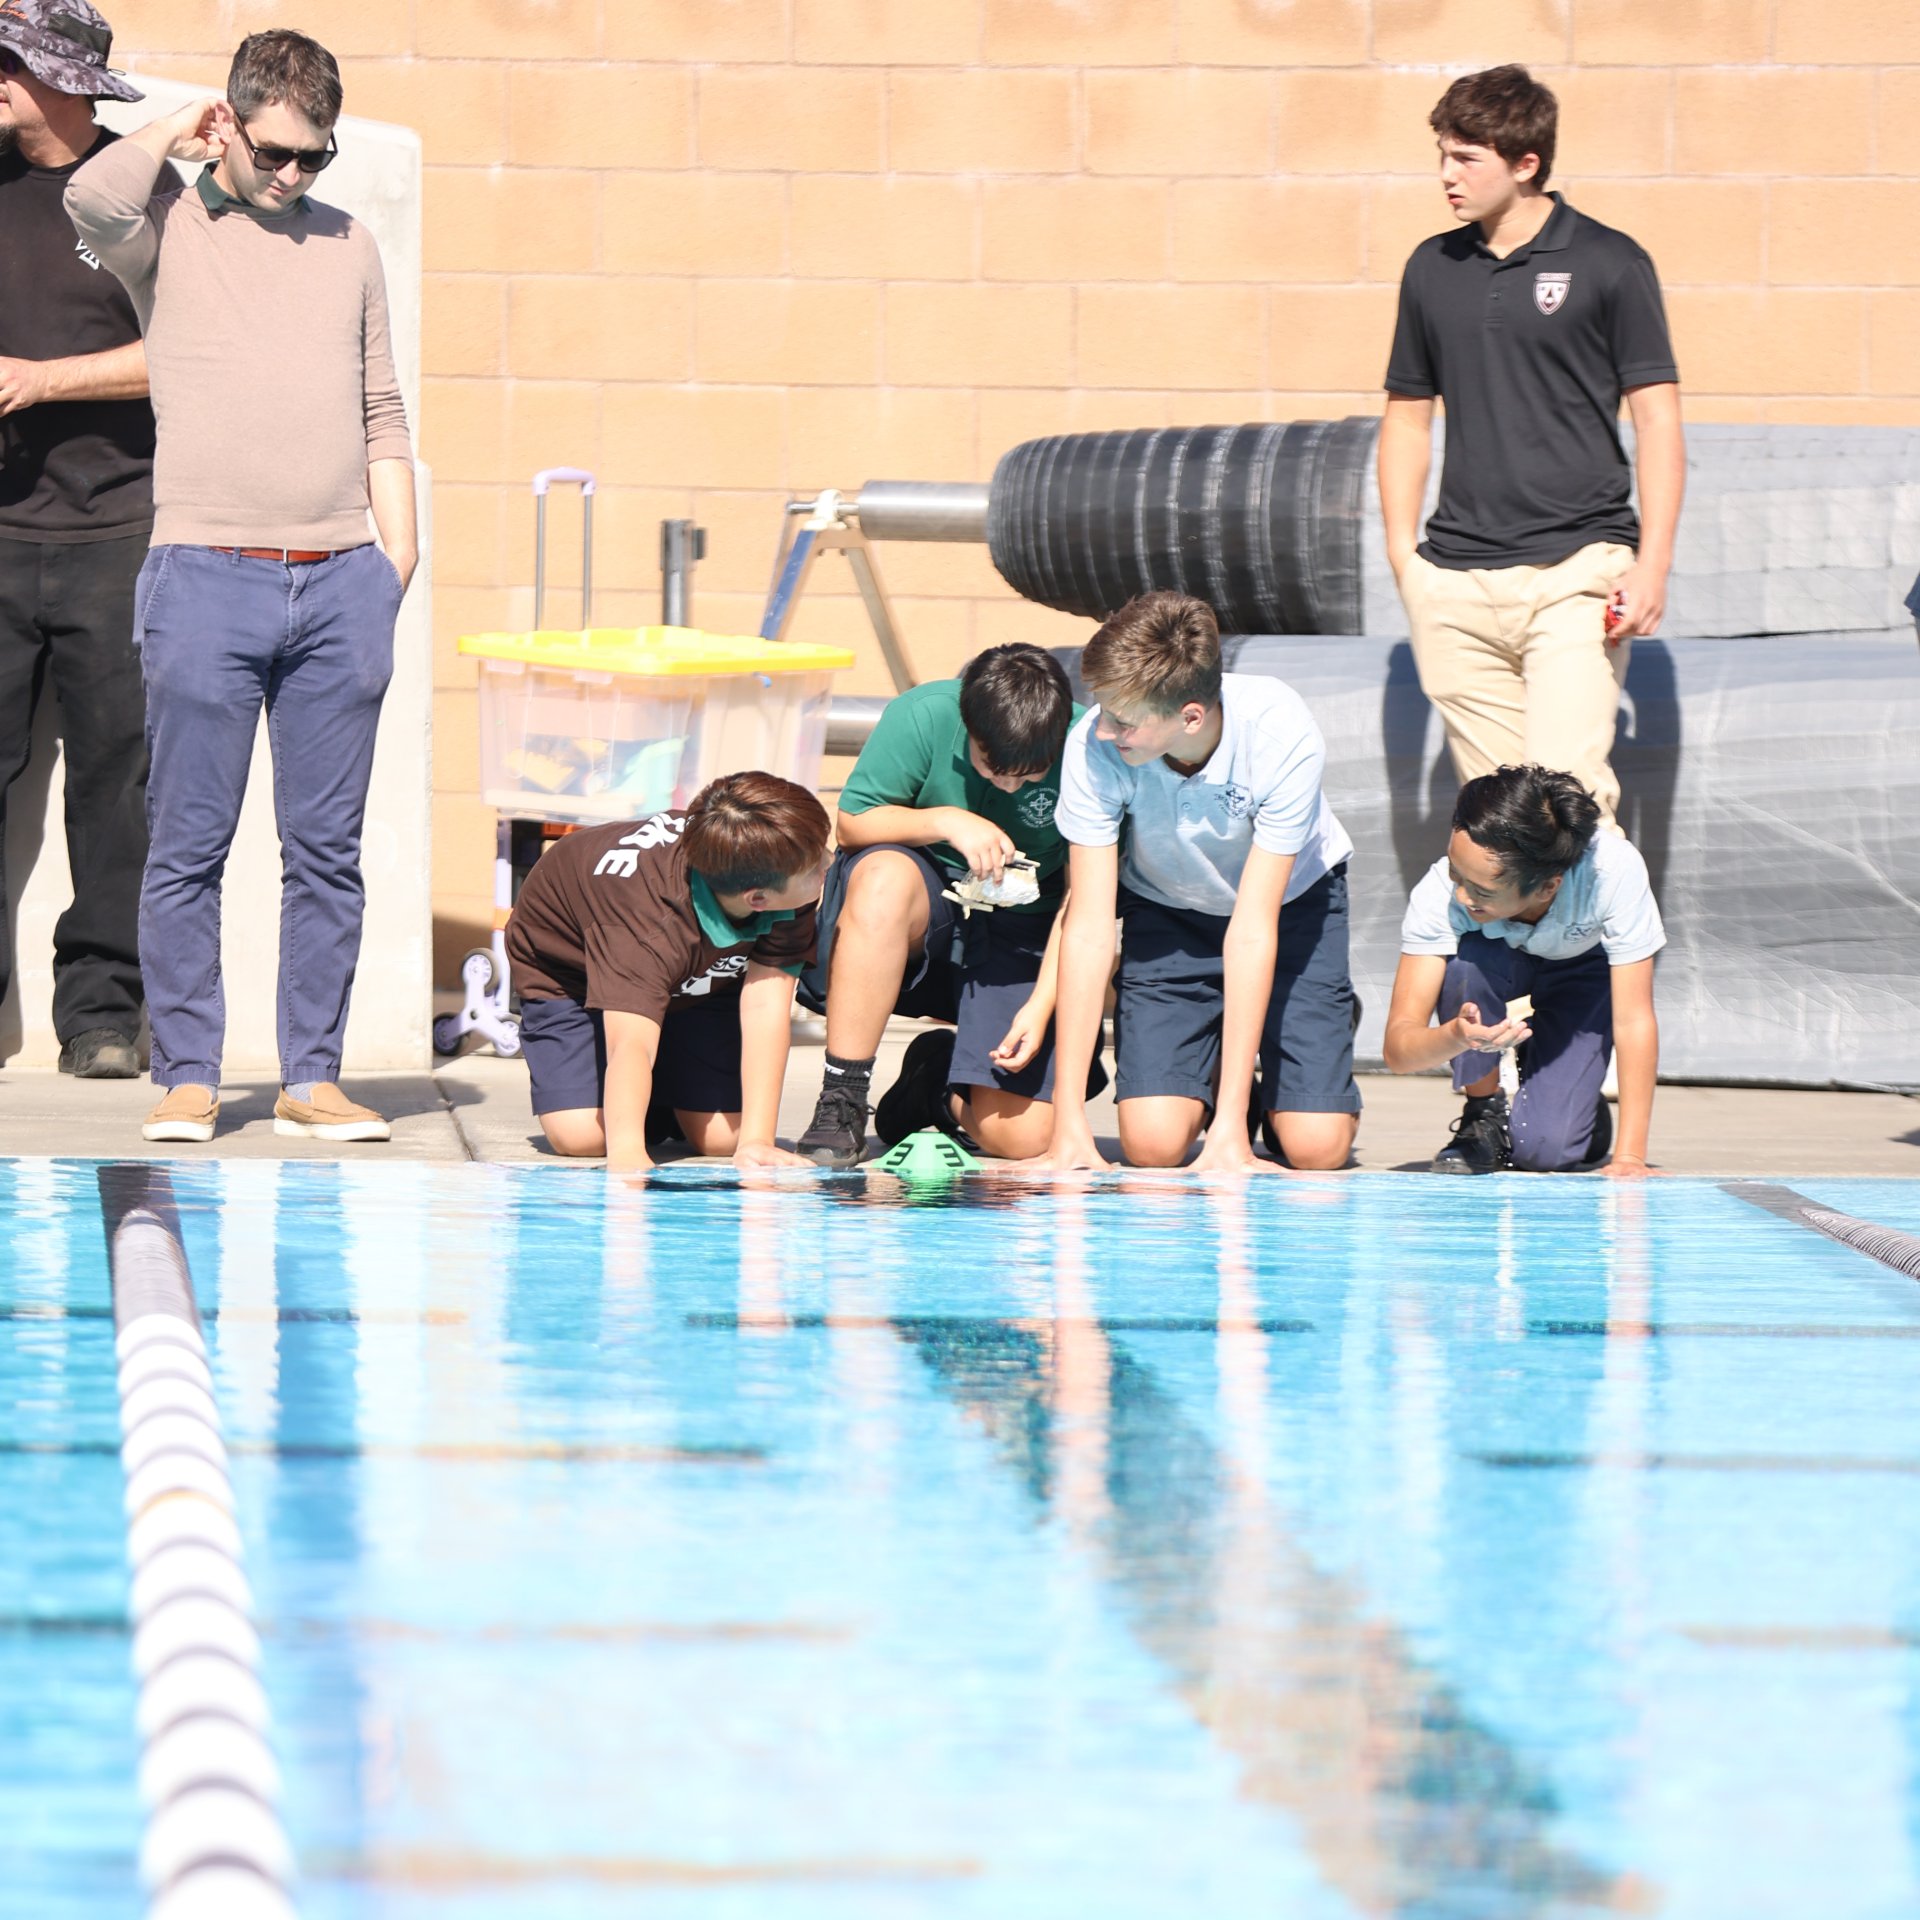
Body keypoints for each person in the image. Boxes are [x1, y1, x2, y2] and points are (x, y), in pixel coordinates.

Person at [67, 30, 417, 1144]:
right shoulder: (166, 226)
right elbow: (87, 200)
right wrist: (173, 129)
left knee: (326, 855)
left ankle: (313, 1075)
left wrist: (393, 569)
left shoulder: (349, 242)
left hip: (338, 585)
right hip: (203, 574)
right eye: (275, 152)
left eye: (314, 157)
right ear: (232, 124)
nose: (293, 176)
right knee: (188, 843)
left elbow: (383, 417)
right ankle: (187, 1073)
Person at [1378, 64, 1684, 829]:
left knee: (1567, 804)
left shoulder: (1611, 261)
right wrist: (1403, 559)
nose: (1447, 175)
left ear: (1526, 164)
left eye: (1467, 158)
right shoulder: (1430, 268)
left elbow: (1657, 420)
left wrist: (1653, 564)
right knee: (1499, 826)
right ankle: (1512, 955)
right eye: (1443, 154)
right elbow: (1408, 416)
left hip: (1576, 573)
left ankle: (1605, 951)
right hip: (1455, 585)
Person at [1040, 591, 1361, 1174]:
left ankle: (1279, 1060)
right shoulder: (1092, 745)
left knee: (1316, 1149)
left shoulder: (1278, 733)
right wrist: (1068, 1124)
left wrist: (1231, 1132)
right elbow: (1087, 928)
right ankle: (1208, 1067)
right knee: (1153, 1147)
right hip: (1170, 912)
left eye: (1124, 719)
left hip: (1289, 914)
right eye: (1103, 710)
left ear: (1190, 715)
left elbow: (1253, 928)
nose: (1106, 731)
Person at [0, 0, 167, 1078]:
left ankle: (103, 1017)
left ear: (60, 79)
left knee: (119, 787)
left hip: (122, 527)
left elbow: (194, 349)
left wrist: (37, 382)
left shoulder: (145, 194)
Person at [794, 642, 1093, 1167]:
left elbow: (1084, 895)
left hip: (1023, 927)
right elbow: (854, 823)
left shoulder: (1089, 743)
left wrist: (1042, 1003)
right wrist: (944, 820)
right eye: (992, 766)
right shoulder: (924, 713)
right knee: (882, 875)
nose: (1009, 784)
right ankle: (842, 1095)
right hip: (928, 907)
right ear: (967, 724)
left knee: (1021, 1138)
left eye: (1030, 775)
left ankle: (934, 1083)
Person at [505, 773, 829, 1174]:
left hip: (702, 976)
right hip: (574, 976)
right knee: (583, 1137)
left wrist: (756, 1141)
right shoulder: (644, 921)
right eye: (817, 864)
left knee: (724, 1141)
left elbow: (766, 1004)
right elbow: (630, 1043)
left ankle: (666, 1084)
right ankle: (652, 1090)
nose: (827, 864)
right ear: (757, 899)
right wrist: (628, 1157)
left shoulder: (774, 869)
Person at [1382, 764, 1663, 1178]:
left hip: (1582, 970)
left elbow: (1634, 1018)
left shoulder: (1613, 872)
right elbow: (1398, 1052)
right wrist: (1455, 1037)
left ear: (1549, 886)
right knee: (1463, 964)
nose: (1461, 895)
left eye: (1481, 891)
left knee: (1546, 1152)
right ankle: (1485, 1110)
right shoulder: (1440, 895)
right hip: (1491, 962)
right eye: (1456, 873)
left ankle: (1566, 1090)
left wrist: (1629, 1157)